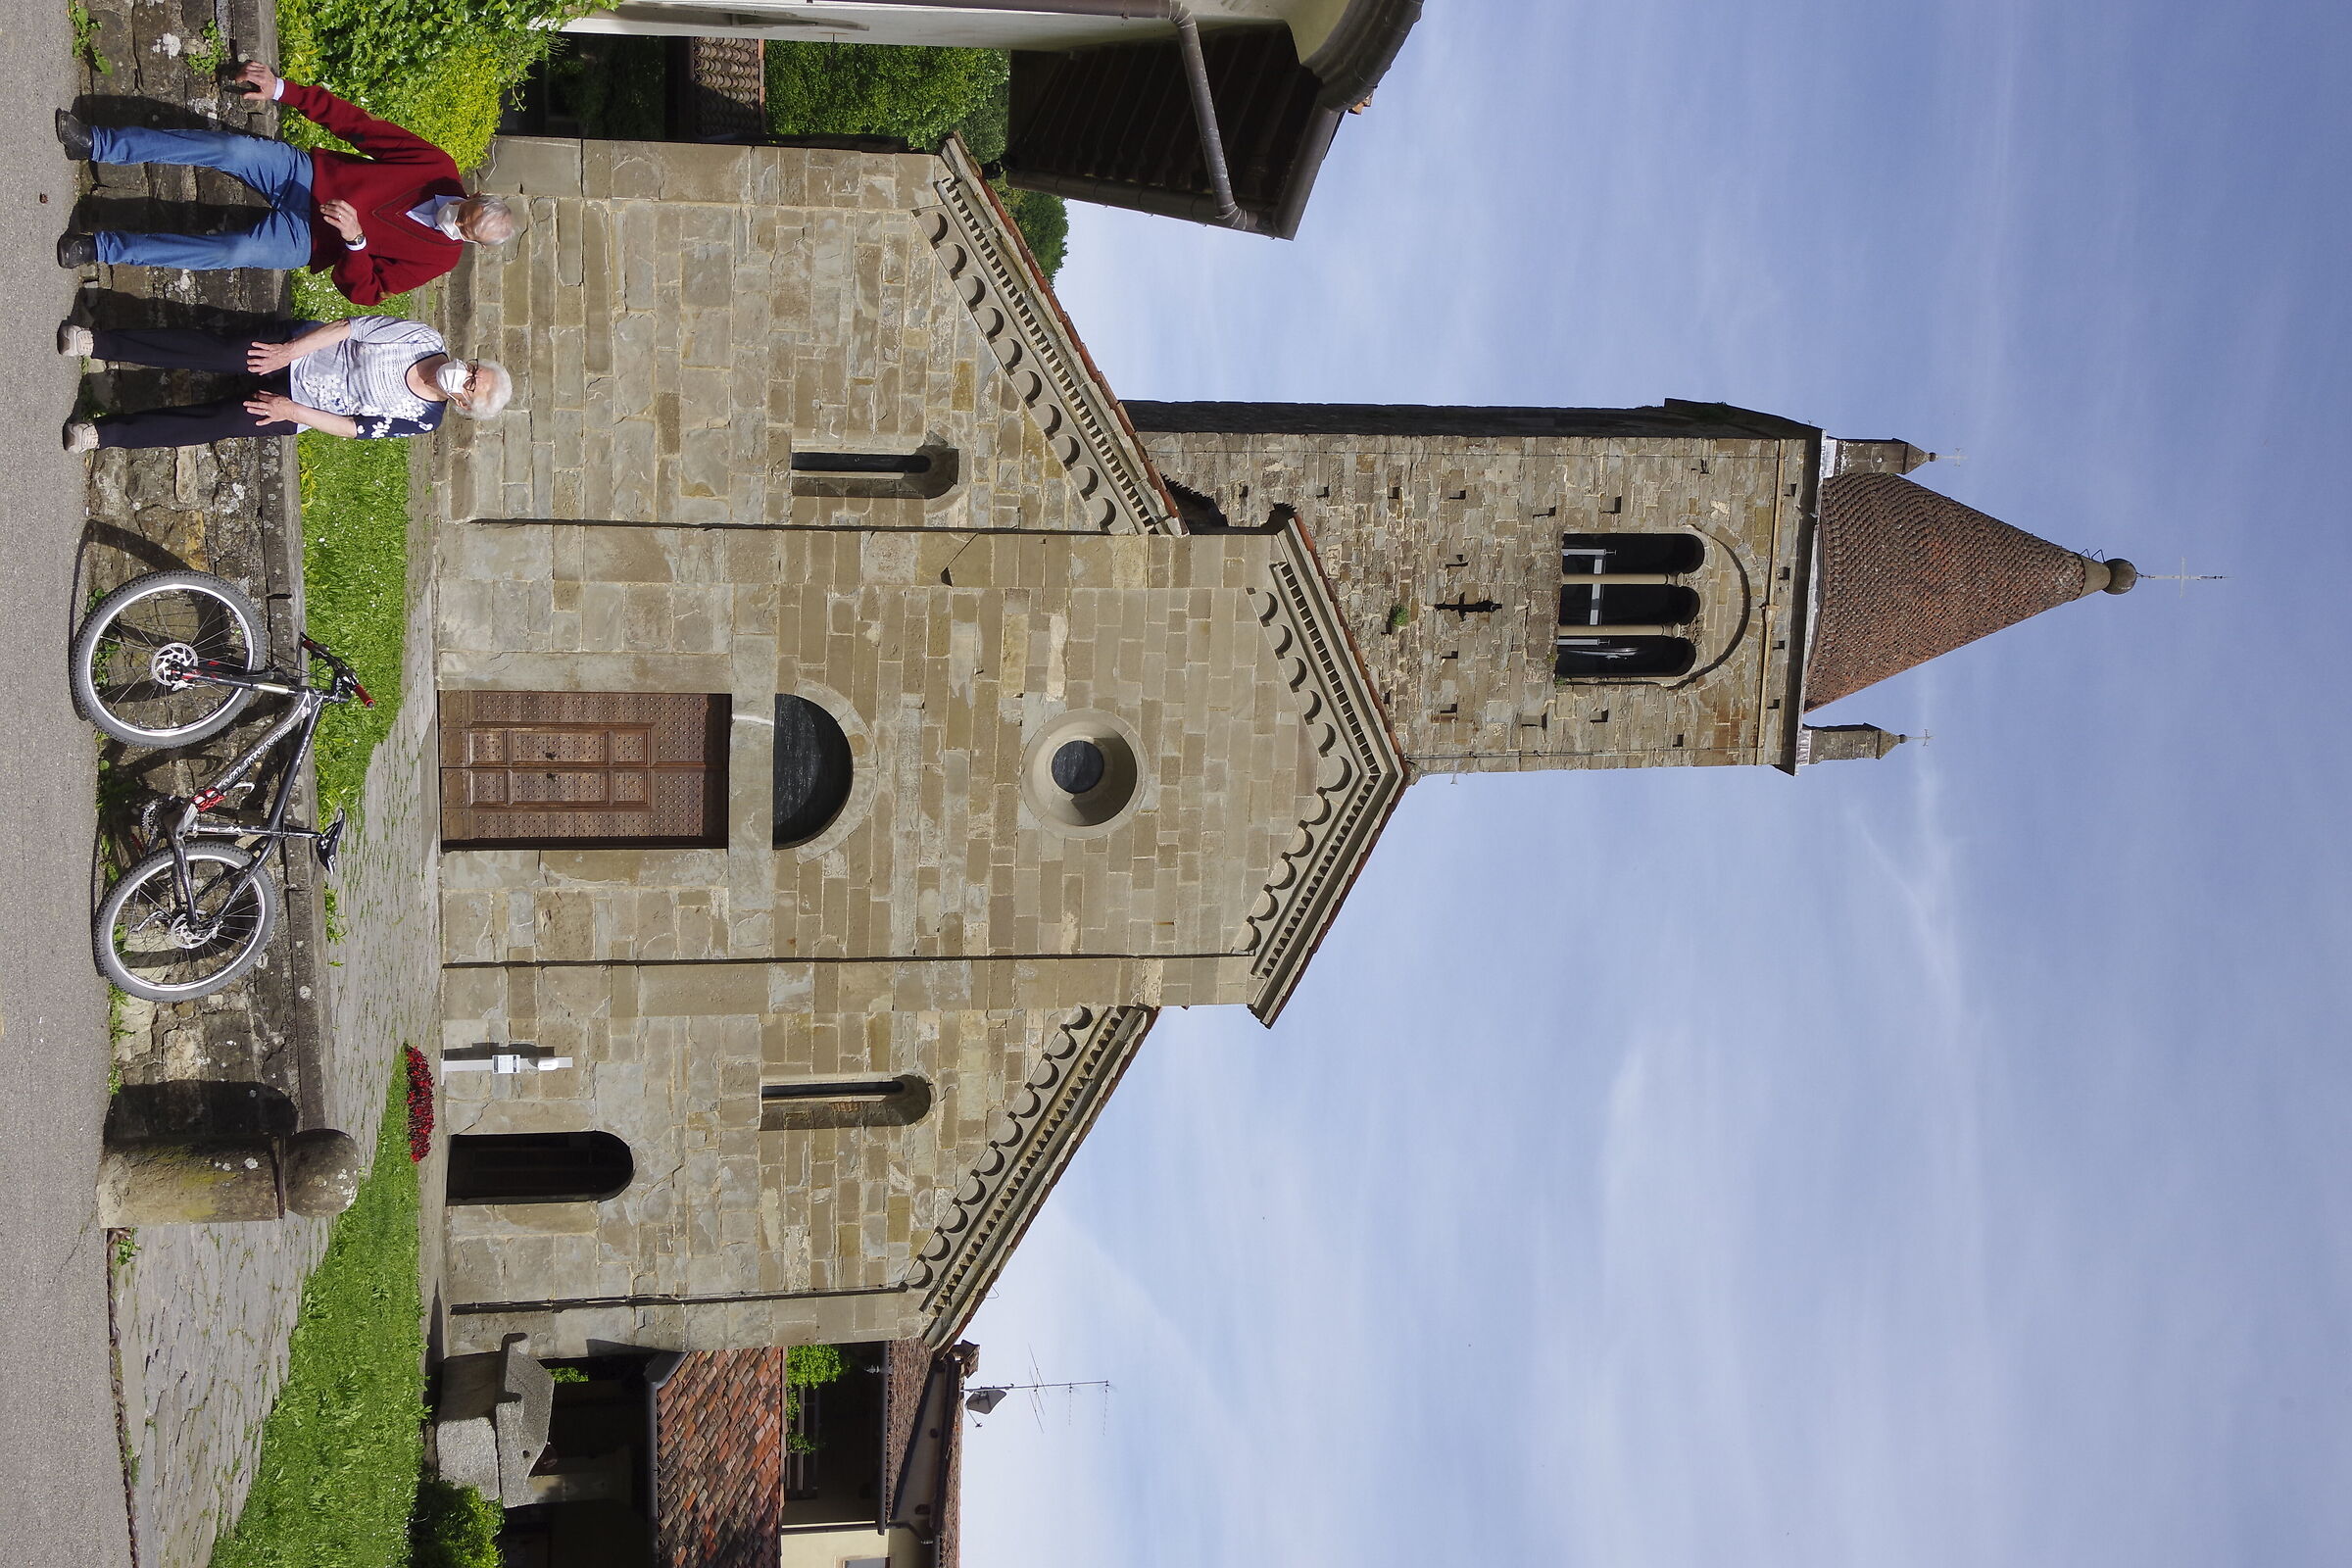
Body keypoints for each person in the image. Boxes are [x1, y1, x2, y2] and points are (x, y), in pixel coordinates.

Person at [56, 61, 515, 305]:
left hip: (311, 240)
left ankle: (99, 248)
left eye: (464, 229)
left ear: (470, 243)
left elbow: (366, 293)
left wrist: (355, 242)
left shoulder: (439, 256)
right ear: (472, 194)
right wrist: (283, 90)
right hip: (309, 176)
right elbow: (362, 127)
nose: (454, 220)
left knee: (228, 252)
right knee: (231, 151)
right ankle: (96, 143)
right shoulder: (436, 167)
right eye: (464, 210)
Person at [59, 316, 510, 452]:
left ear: (464, 405)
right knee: (206, 350)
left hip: (303, 406)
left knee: (213, 422)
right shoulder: (425, 338)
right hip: (299, 349)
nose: (463, 375)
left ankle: (101, 434)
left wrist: (290, 412)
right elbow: (351, 327)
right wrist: (288, 352)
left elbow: (356, 427)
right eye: (472, 368)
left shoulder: (424, 418)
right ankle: (97, 341)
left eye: (470, 385)